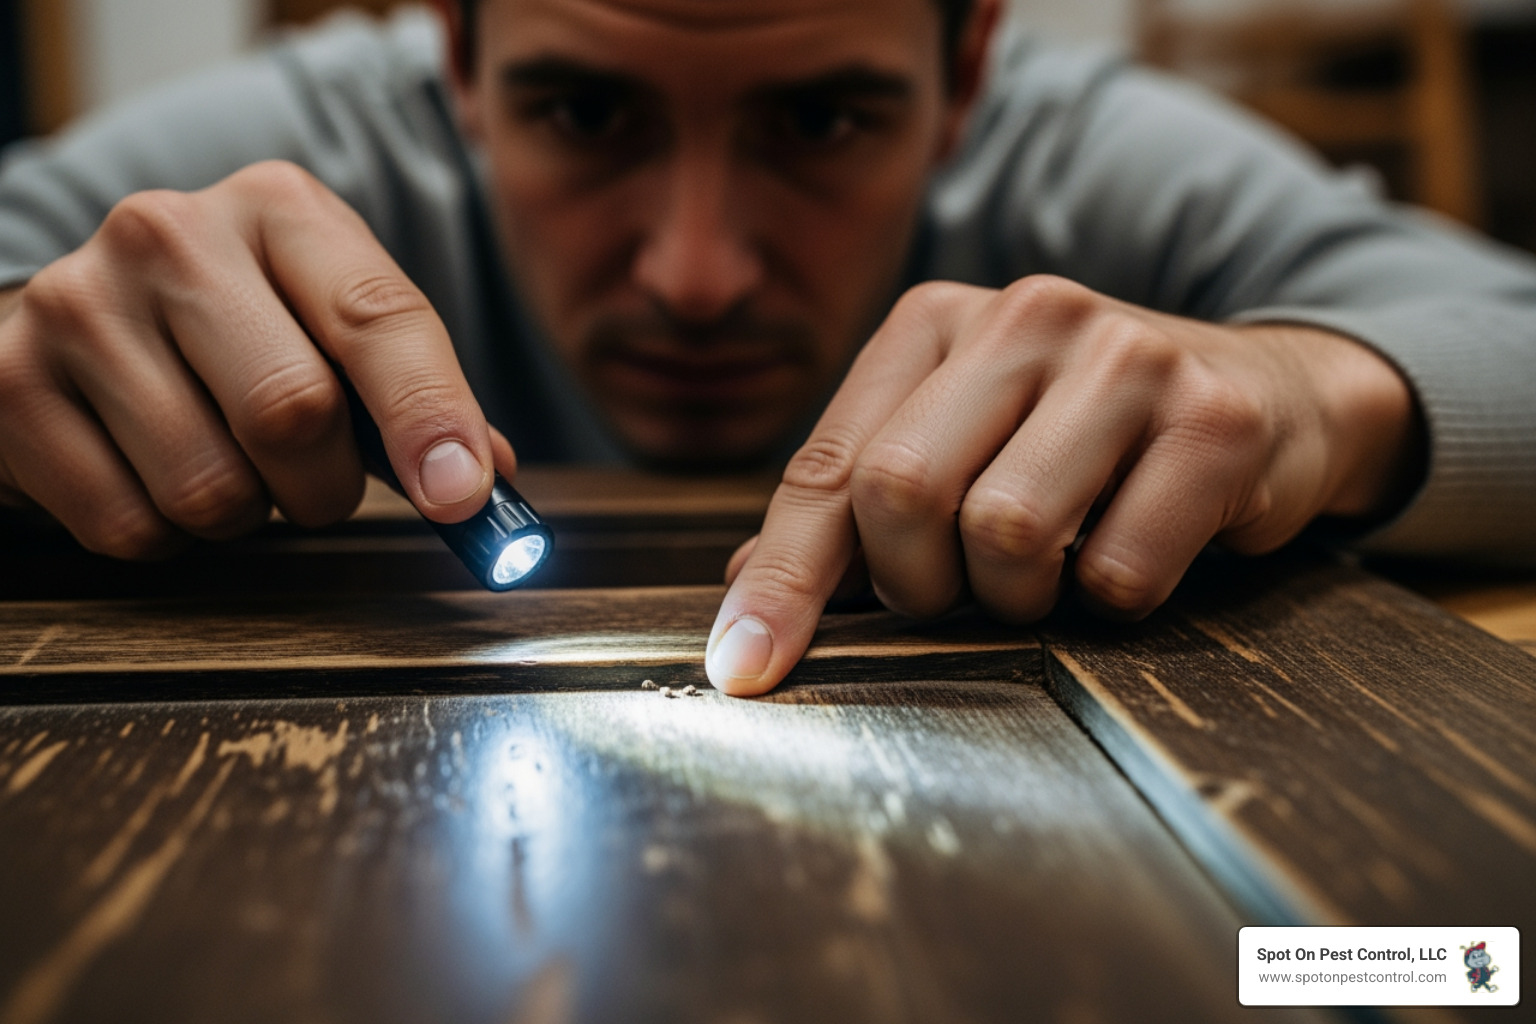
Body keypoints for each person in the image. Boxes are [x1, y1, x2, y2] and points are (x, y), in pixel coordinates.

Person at [0, 0, 1533, 696]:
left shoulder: (1095, 161)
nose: (695, 275)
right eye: (586, 115)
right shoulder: (311, 136)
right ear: (457, 60)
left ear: (967, 69)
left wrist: (1314, 392)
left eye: (820, 122)